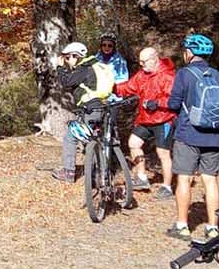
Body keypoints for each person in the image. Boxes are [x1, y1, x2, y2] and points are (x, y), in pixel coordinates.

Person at [149, 33, 219, 241]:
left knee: (184, 178)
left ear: (190, 52)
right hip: (215, 136)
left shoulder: (185, 74)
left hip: (189, 134)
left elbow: (175, 104)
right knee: (210, 180)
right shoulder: (218, 76)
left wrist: (157, 106)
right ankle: (213, 227)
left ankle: (182, 226)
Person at [114, 46, 177, 199]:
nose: (141, 65)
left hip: (164, 120)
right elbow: (129, 87)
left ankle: (167, 186)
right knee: (133, 143)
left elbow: (175, 99)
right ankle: (141, 178)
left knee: (163, 153)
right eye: (140, 61)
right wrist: (112, 87)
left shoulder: (168, 76)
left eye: (144, 61)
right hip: (145, 119)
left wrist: (158, 103)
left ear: (155, 59)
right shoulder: (142, 74)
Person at [53, 41, 116, 183]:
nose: (67, 61)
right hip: (104, 107)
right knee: (94, 139)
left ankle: (69, 172)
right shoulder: (98, 65)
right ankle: (97, 174)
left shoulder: (84, 68)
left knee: (70, 137)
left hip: (90, 109)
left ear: (76, 56)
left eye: (68, 58)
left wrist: (59, 67)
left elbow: (66, 82)